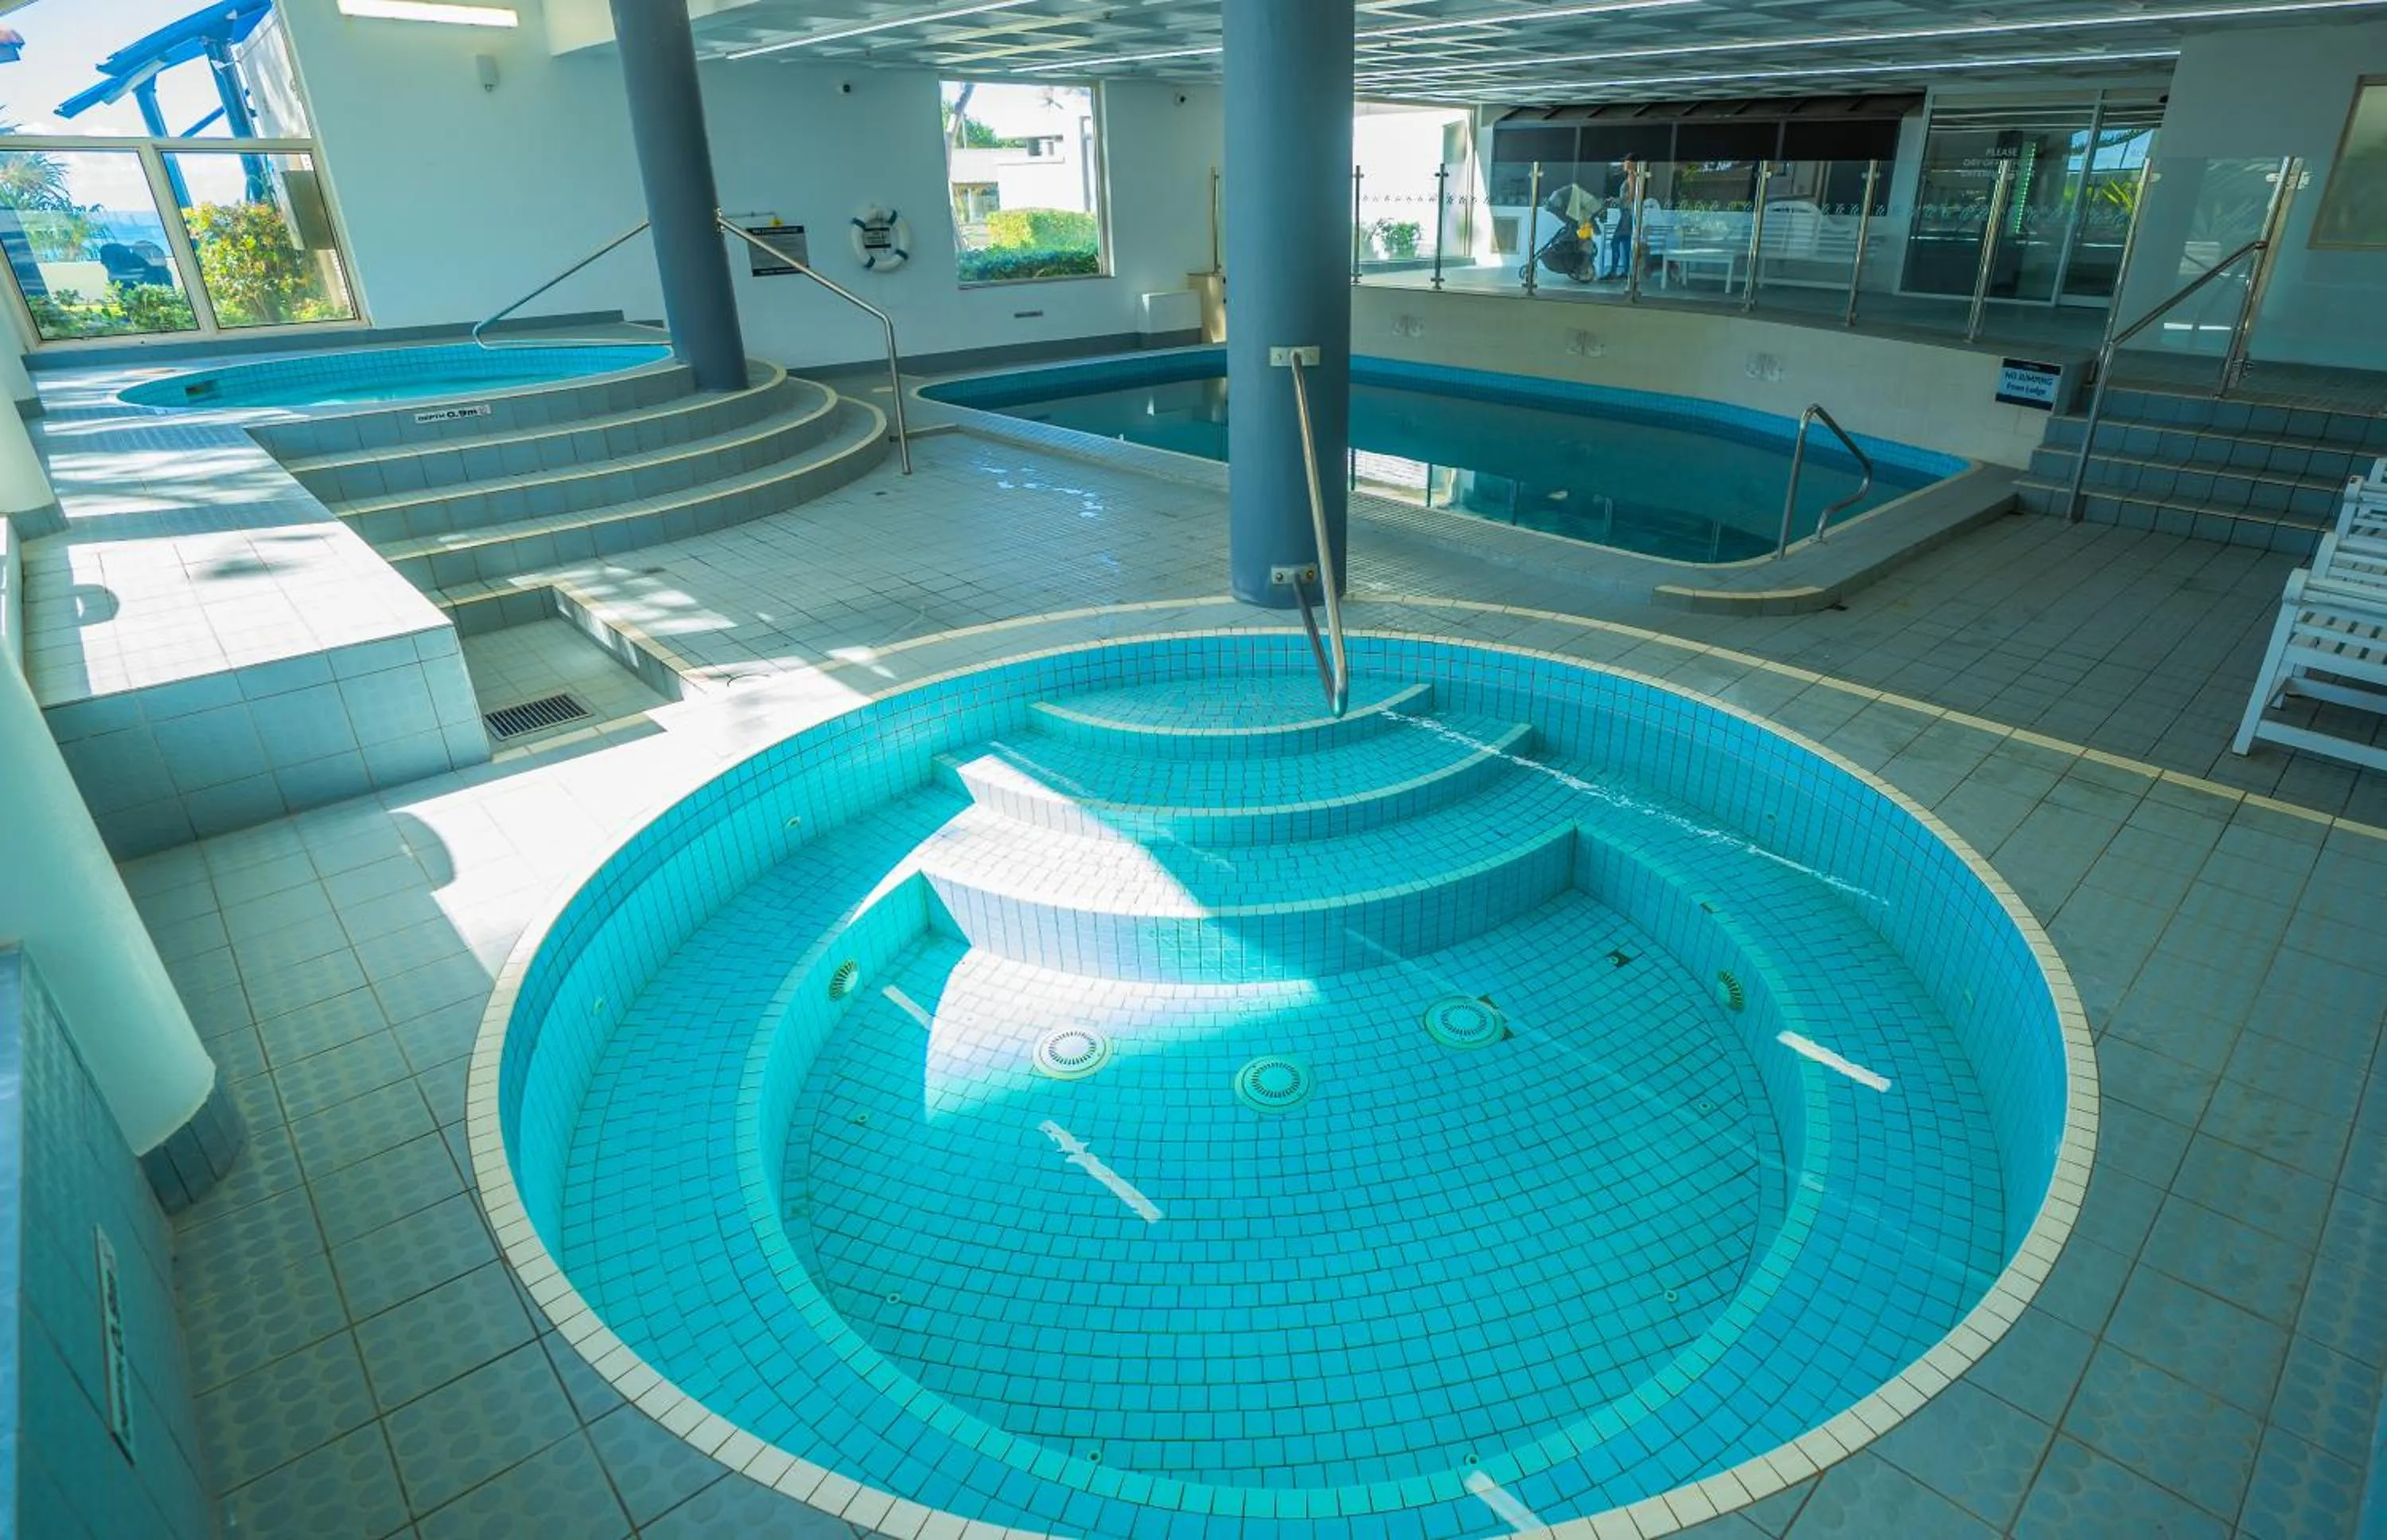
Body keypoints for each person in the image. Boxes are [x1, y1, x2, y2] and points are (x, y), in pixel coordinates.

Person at [1598, 158, 1639, 280]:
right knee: (1625, 244)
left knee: (1615, 242)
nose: (1624, 164)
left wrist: (1615, 200)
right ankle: (1626, 272)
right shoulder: (1633, 176)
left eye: (1626, 162)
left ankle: (1613, 272)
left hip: (1627, 214)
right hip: (1627, 214)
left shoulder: (1632, 176)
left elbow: (1631, 197)